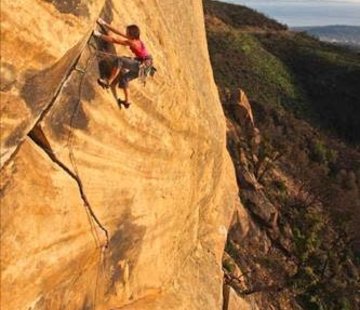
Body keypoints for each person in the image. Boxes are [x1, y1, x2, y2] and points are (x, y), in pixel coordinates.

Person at [93, 19, 152, 108]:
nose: (126, 33)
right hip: (147, 66)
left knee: (120, 61)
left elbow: (114, 40)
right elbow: (119, 32)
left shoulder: (133, 43)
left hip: (142, 65)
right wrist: (104, 23)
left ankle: (108, 82)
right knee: (125, 78)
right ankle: (127, 102)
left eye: (127, 32)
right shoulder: (136, 39)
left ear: (131, 35)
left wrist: (98, 35)